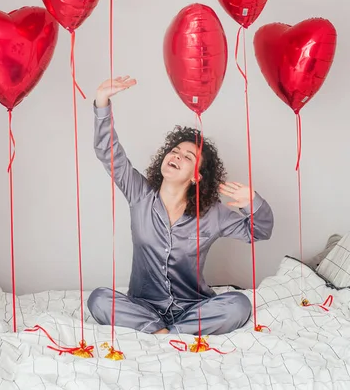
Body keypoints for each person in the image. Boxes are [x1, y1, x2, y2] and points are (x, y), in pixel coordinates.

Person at [88, 76, 274, 336]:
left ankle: (167, 333)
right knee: (98, 299)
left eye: (188, 157)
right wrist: (101, 101)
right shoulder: (140, 194)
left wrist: (252, 203)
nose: (176, 155)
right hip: (143, 306)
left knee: (239, 304)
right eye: (174, 151)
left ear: (196, 176)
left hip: (193, 308)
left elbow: (259, 231)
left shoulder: (213, 215)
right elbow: (110, 154)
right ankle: (163, 331)